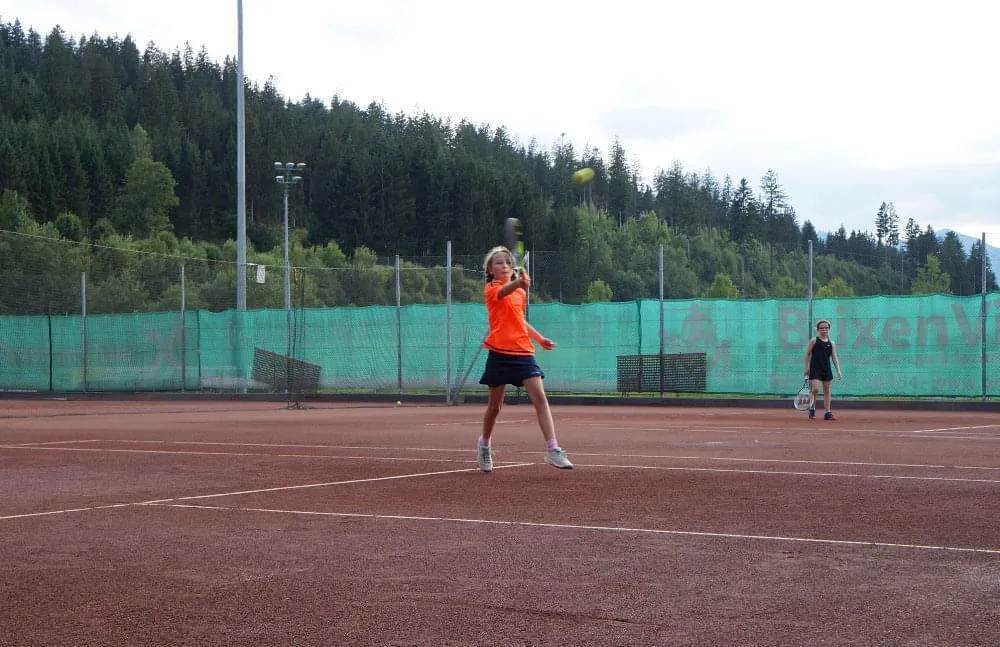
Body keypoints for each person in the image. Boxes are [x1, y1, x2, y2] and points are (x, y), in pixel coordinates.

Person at [476, 245, 572, 473]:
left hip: (523, 352)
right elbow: (503, 293)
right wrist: (518, 283)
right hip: (499, 353)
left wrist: (540, 338)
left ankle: (553, 449)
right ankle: (484, 445)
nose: (504, 266)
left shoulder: (519, 293)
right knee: (495, 407)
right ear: (490, 269)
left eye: (508, 263)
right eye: (499, 262)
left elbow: (519, 320)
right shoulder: (491, 289)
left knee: (540, 398)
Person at [803, 319, 843, 420]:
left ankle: (827, 413)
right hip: (815, 368)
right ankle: (812, 409)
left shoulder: (831, 343)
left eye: (826, 327)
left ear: (829, 329)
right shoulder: (814, 340)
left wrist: (838, 371)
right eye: (822, 328)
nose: (824, 329)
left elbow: (834, 357)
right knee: (815, 390)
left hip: (826, 369)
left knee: (827, 390)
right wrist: (806, 368)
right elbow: (807, 354)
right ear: (818, 329)